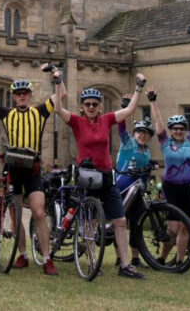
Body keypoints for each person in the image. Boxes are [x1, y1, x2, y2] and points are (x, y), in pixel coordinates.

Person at [53, 74, 148, 279]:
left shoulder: (106, 120)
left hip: (106, 175)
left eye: (95, 104)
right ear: (82, 106)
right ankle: (93, 263)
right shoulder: (77, 122)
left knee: (120, 220)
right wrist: (58, 82)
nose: (91, 107)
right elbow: (58, 109)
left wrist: (139, 88)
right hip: (86, 175)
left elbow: (130, 110)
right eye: (87, 104)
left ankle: (125, 265)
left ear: (100, 106)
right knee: (90, 220)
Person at [0, 61, 65, 276]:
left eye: (25, 93)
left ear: (30, 95)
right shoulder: (7, 114)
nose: (22, 96)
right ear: (14, 96)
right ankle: (23, 255)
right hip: (13, 169)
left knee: (38, 212)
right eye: (18, 94)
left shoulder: (40, 112)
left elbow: (61, 93)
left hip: (33, 169)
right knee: (16, 214)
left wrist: (55, 73)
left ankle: (47, 258)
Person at [149, 88, 190, 266]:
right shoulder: (165, 142)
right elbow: (158, 123)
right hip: (171, 188)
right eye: (175, 129)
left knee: (185, 227)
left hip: (188, 187)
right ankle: (162, 257)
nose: (178, 131)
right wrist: (153, 102)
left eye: (181, 128)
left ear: (184, 130)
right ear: (171, 130)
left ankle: (179, 260)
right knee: (173, 229)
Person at [114, 95, 155, 269]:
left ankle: (136, 258)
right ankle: (119, 257)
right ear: (135, 133)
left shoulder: (147, 152)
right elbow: (121, 128)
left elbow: (144, 173)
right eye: (139, 132)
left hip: (137, 192)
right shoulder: (128, 143)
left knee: (136, 225)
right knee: (119, 222)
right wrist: (124, 108)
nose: (142, 136)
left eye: (146, 134)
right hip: (122, 188)